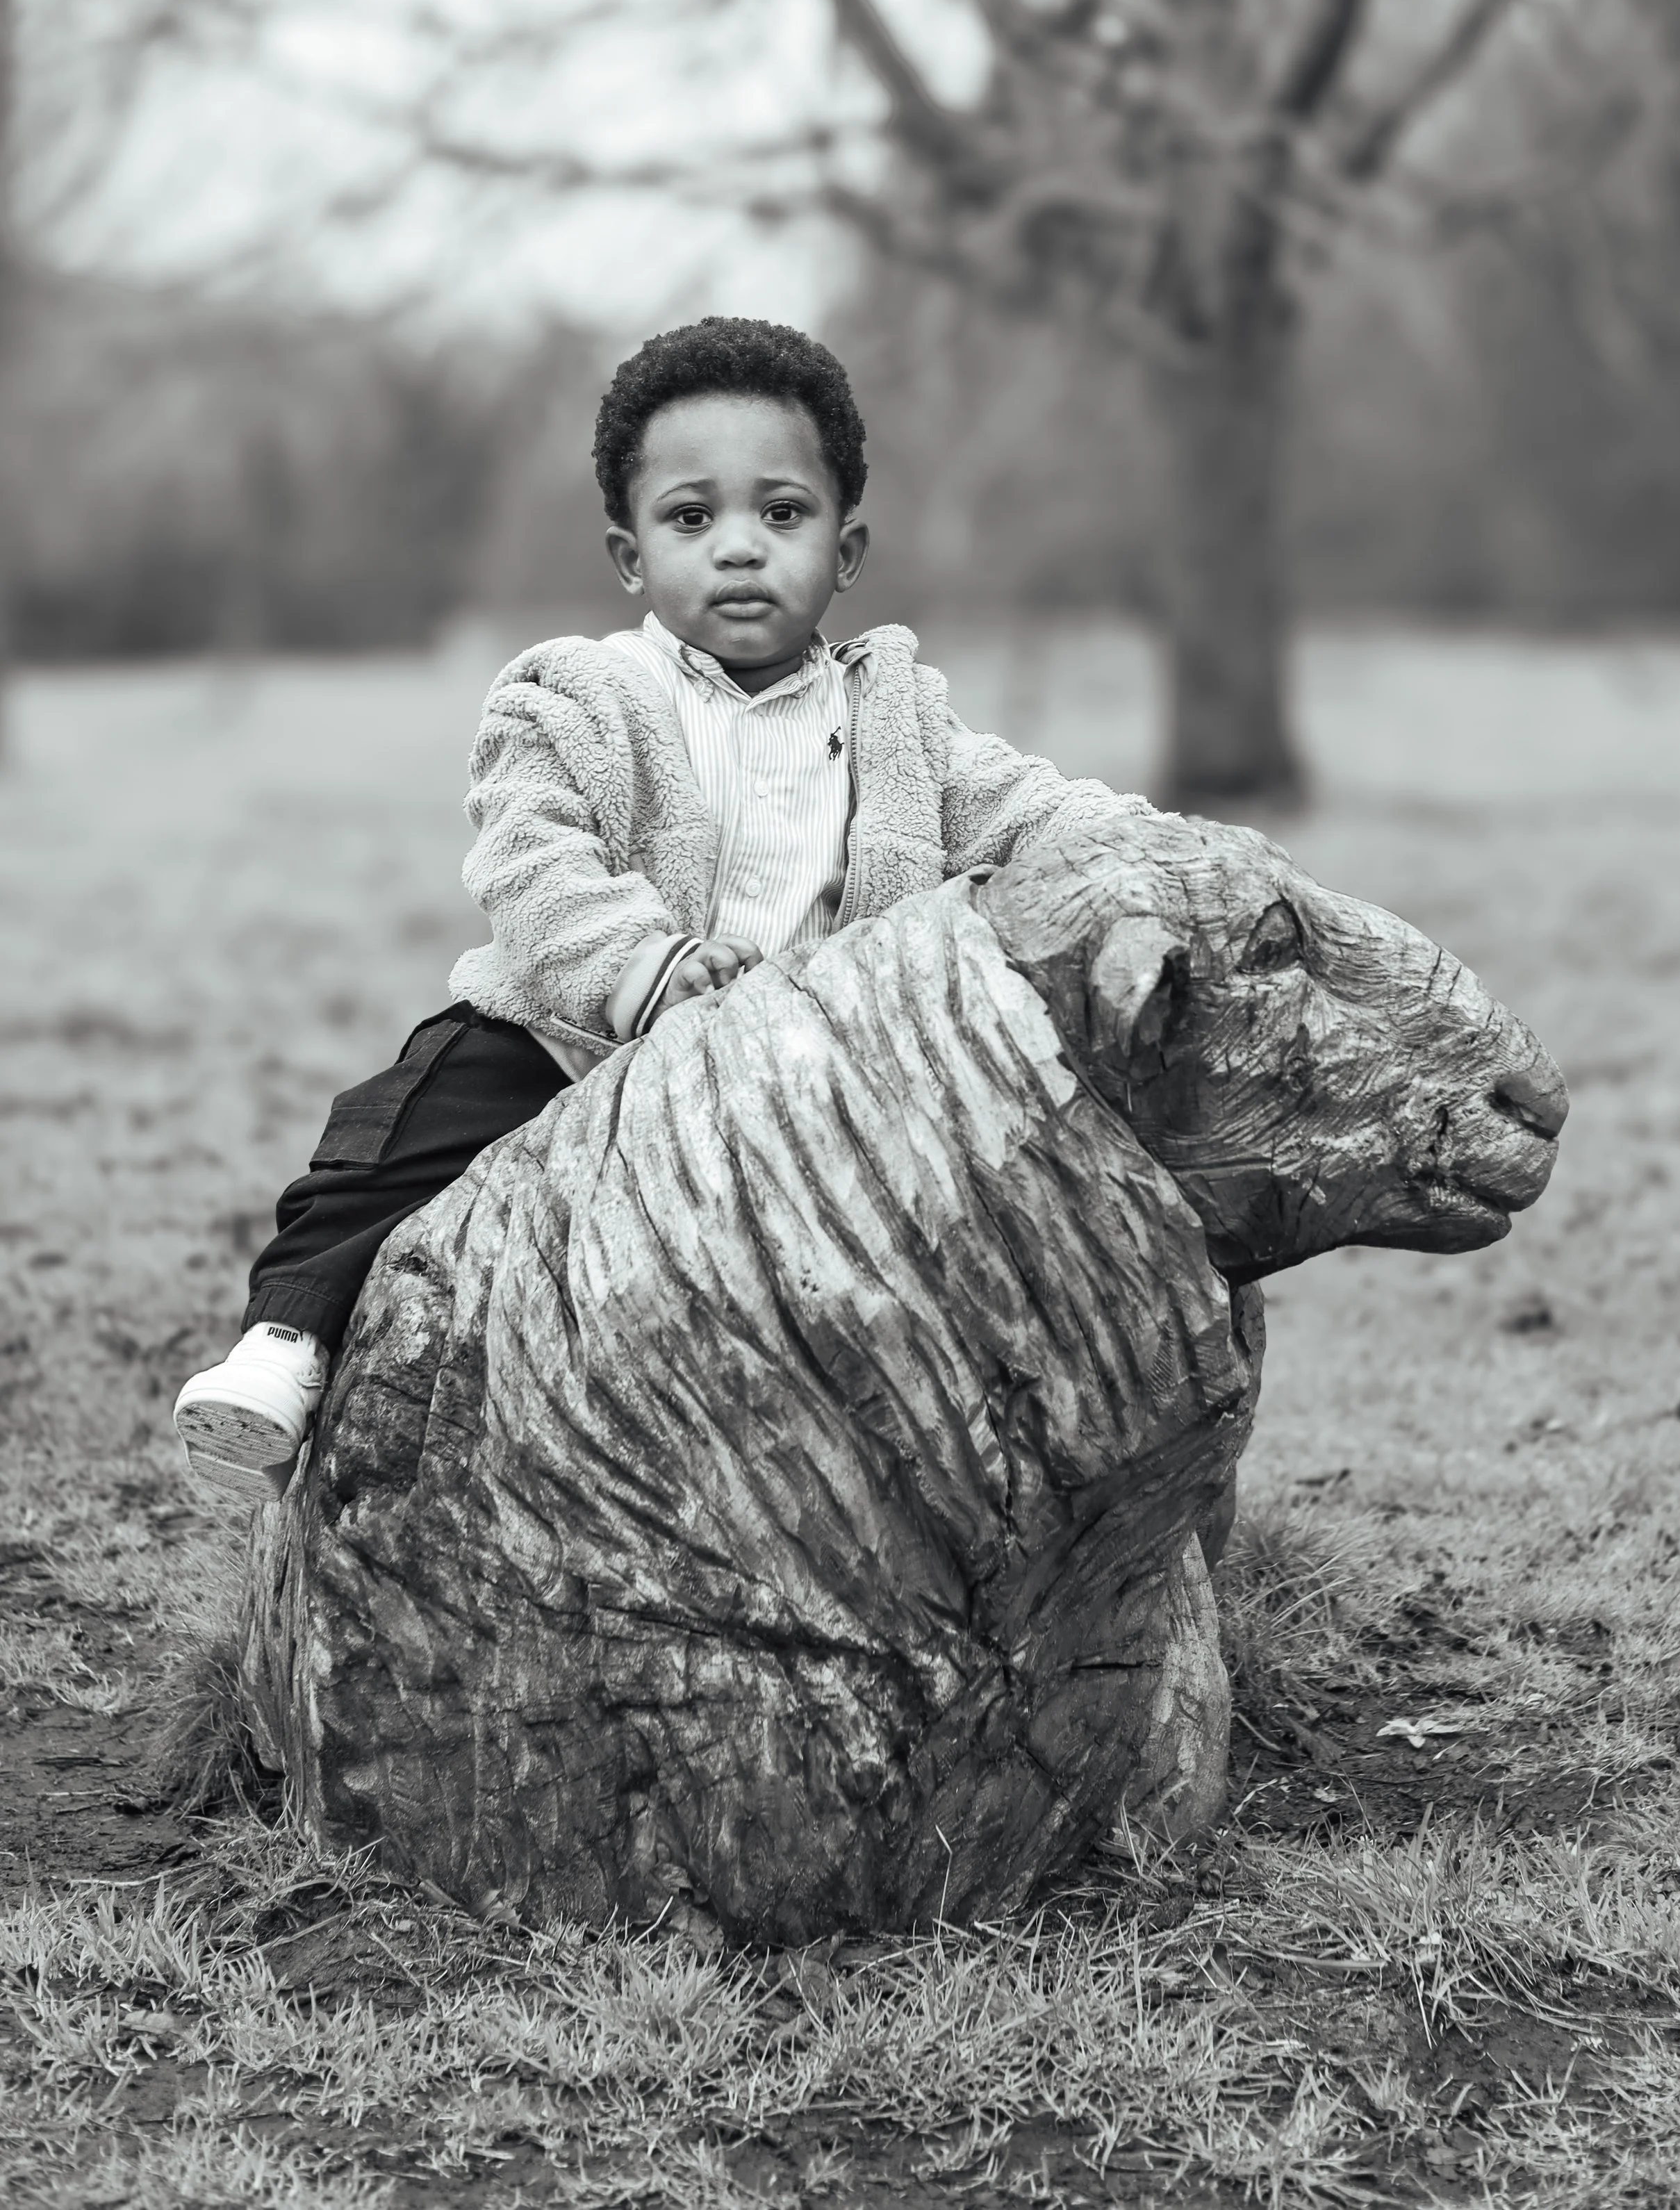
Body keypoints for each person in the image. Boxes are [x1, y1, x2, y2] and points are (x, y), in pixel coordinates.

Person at [172, 315, 1154, 1499]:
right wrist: (644, 964)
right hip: (578, 1037)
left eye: (782, 514)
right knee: (409, 1117)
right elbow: (532, 860)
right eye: (691, 519)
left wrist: (1158, 857)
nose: (739, 548)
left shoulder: (898, 719)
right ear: (631, 555)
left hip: (809, 1068)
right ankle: (285, 1342)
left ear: (846, 549)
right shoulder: (579, 698)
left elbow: (1035, 810)